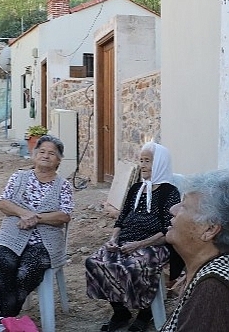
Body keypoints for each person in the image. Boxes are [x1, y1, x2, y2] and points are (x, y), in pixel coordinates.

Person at [85, 142, 180, 332]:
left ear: (160, 163)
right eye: (141, 161)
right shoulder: (136, 188)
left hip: (154, 245)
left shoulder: (170, 192)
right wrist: (113, 239)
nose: (143, 165)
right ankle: (121, 312)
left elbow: (168, 229)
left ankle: (146, 312)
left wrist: (139, 244)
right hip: (125, 242)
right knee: (95, 261)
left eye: (148, 161)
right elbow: (122, 218)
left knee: (135, 266)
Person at [0, 135, 74, 318]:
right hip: (13, 235)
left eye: (52, 153)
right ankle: (8, 316)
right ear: (34, 154)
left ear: (59, 160)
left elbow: (64, 215)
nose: (45, 156)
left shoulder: (64, 186)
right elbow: (3, 203)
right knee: (2, 262)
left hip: (45, 242)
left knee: (26, 272)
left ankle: (5, 315)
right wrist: (23, 213)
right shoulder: (18, 177)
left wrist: (36, 218)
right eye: (42, 151)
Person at [161, 169, 229, 331]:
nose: (173, 210)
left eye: (184, 206)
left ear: (209, 229)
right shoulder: (205, 273)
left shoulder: (212, 290)